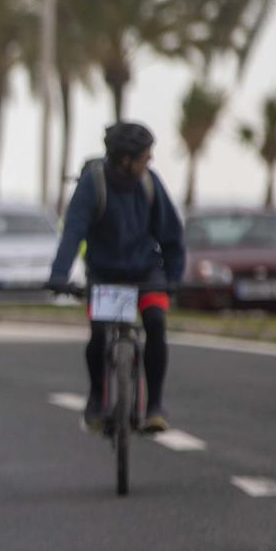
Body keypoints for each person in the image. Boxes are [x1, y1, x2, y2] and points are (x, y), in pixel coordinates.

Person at [47, 121, 187, 433]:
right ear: (126, 159)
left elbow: (172, 236)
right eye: (145, 157)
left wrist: (174, 278)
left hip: (145, 271)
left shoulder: (150, 184)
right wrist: (58, 275)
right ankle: (97, 399)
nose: (149, 163)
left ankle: (154, 406)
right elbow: (72, 232)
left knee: (155, 322)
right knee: (98, 334)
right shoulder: (92, 184)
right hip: (105, 274)